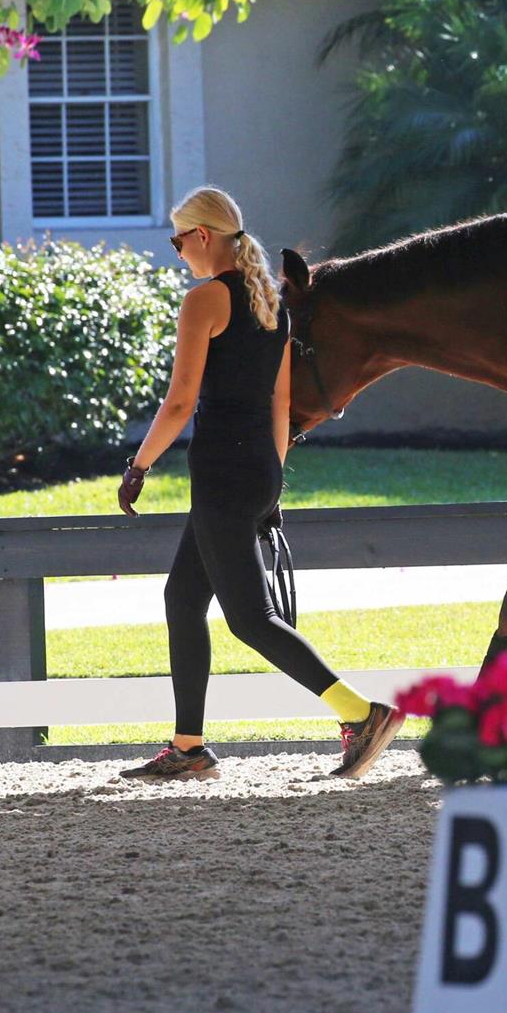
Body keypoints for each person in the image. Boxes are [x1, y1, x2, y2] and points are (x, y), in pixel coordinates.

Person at [116, 185, 403, 781]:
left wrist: (139, 466)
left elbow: (180, 402)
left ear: (201, 236)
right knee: (183, 599)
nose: (178, 252)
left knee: (251, 618)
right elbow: (280, 403)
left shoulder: (204, 301)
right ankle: (189, 748)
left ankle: (362, 714)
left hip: (222, 473)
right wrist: (272, 483)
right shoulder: (271, 304)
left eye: (177, 241)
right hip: (254, 472)